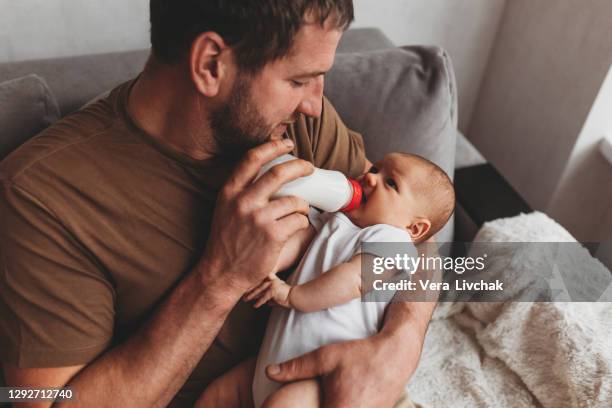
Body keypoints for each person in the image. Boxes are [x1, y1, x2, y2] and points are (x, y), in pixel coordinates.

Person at [0, 2, 440, 407]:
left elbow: (415, 234)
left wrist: (401, 341)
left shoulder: (300, 123)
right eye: (299, 80)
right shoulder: (42, 197)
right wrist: (220, 278)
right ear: (211, 64)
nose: (313, 102)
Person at [195, 153, 454, 407]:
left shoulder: (394, 241)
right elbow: (297, 241)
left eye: (391, 183)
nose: (371, 178)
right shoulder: (335, 220)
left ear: (415, 228)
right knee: (216, 396)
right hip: (270, 364)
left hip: (320, 379)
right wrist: (265, 266)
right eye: (375, 169)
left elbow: (354, 279)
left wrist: (290, 295)